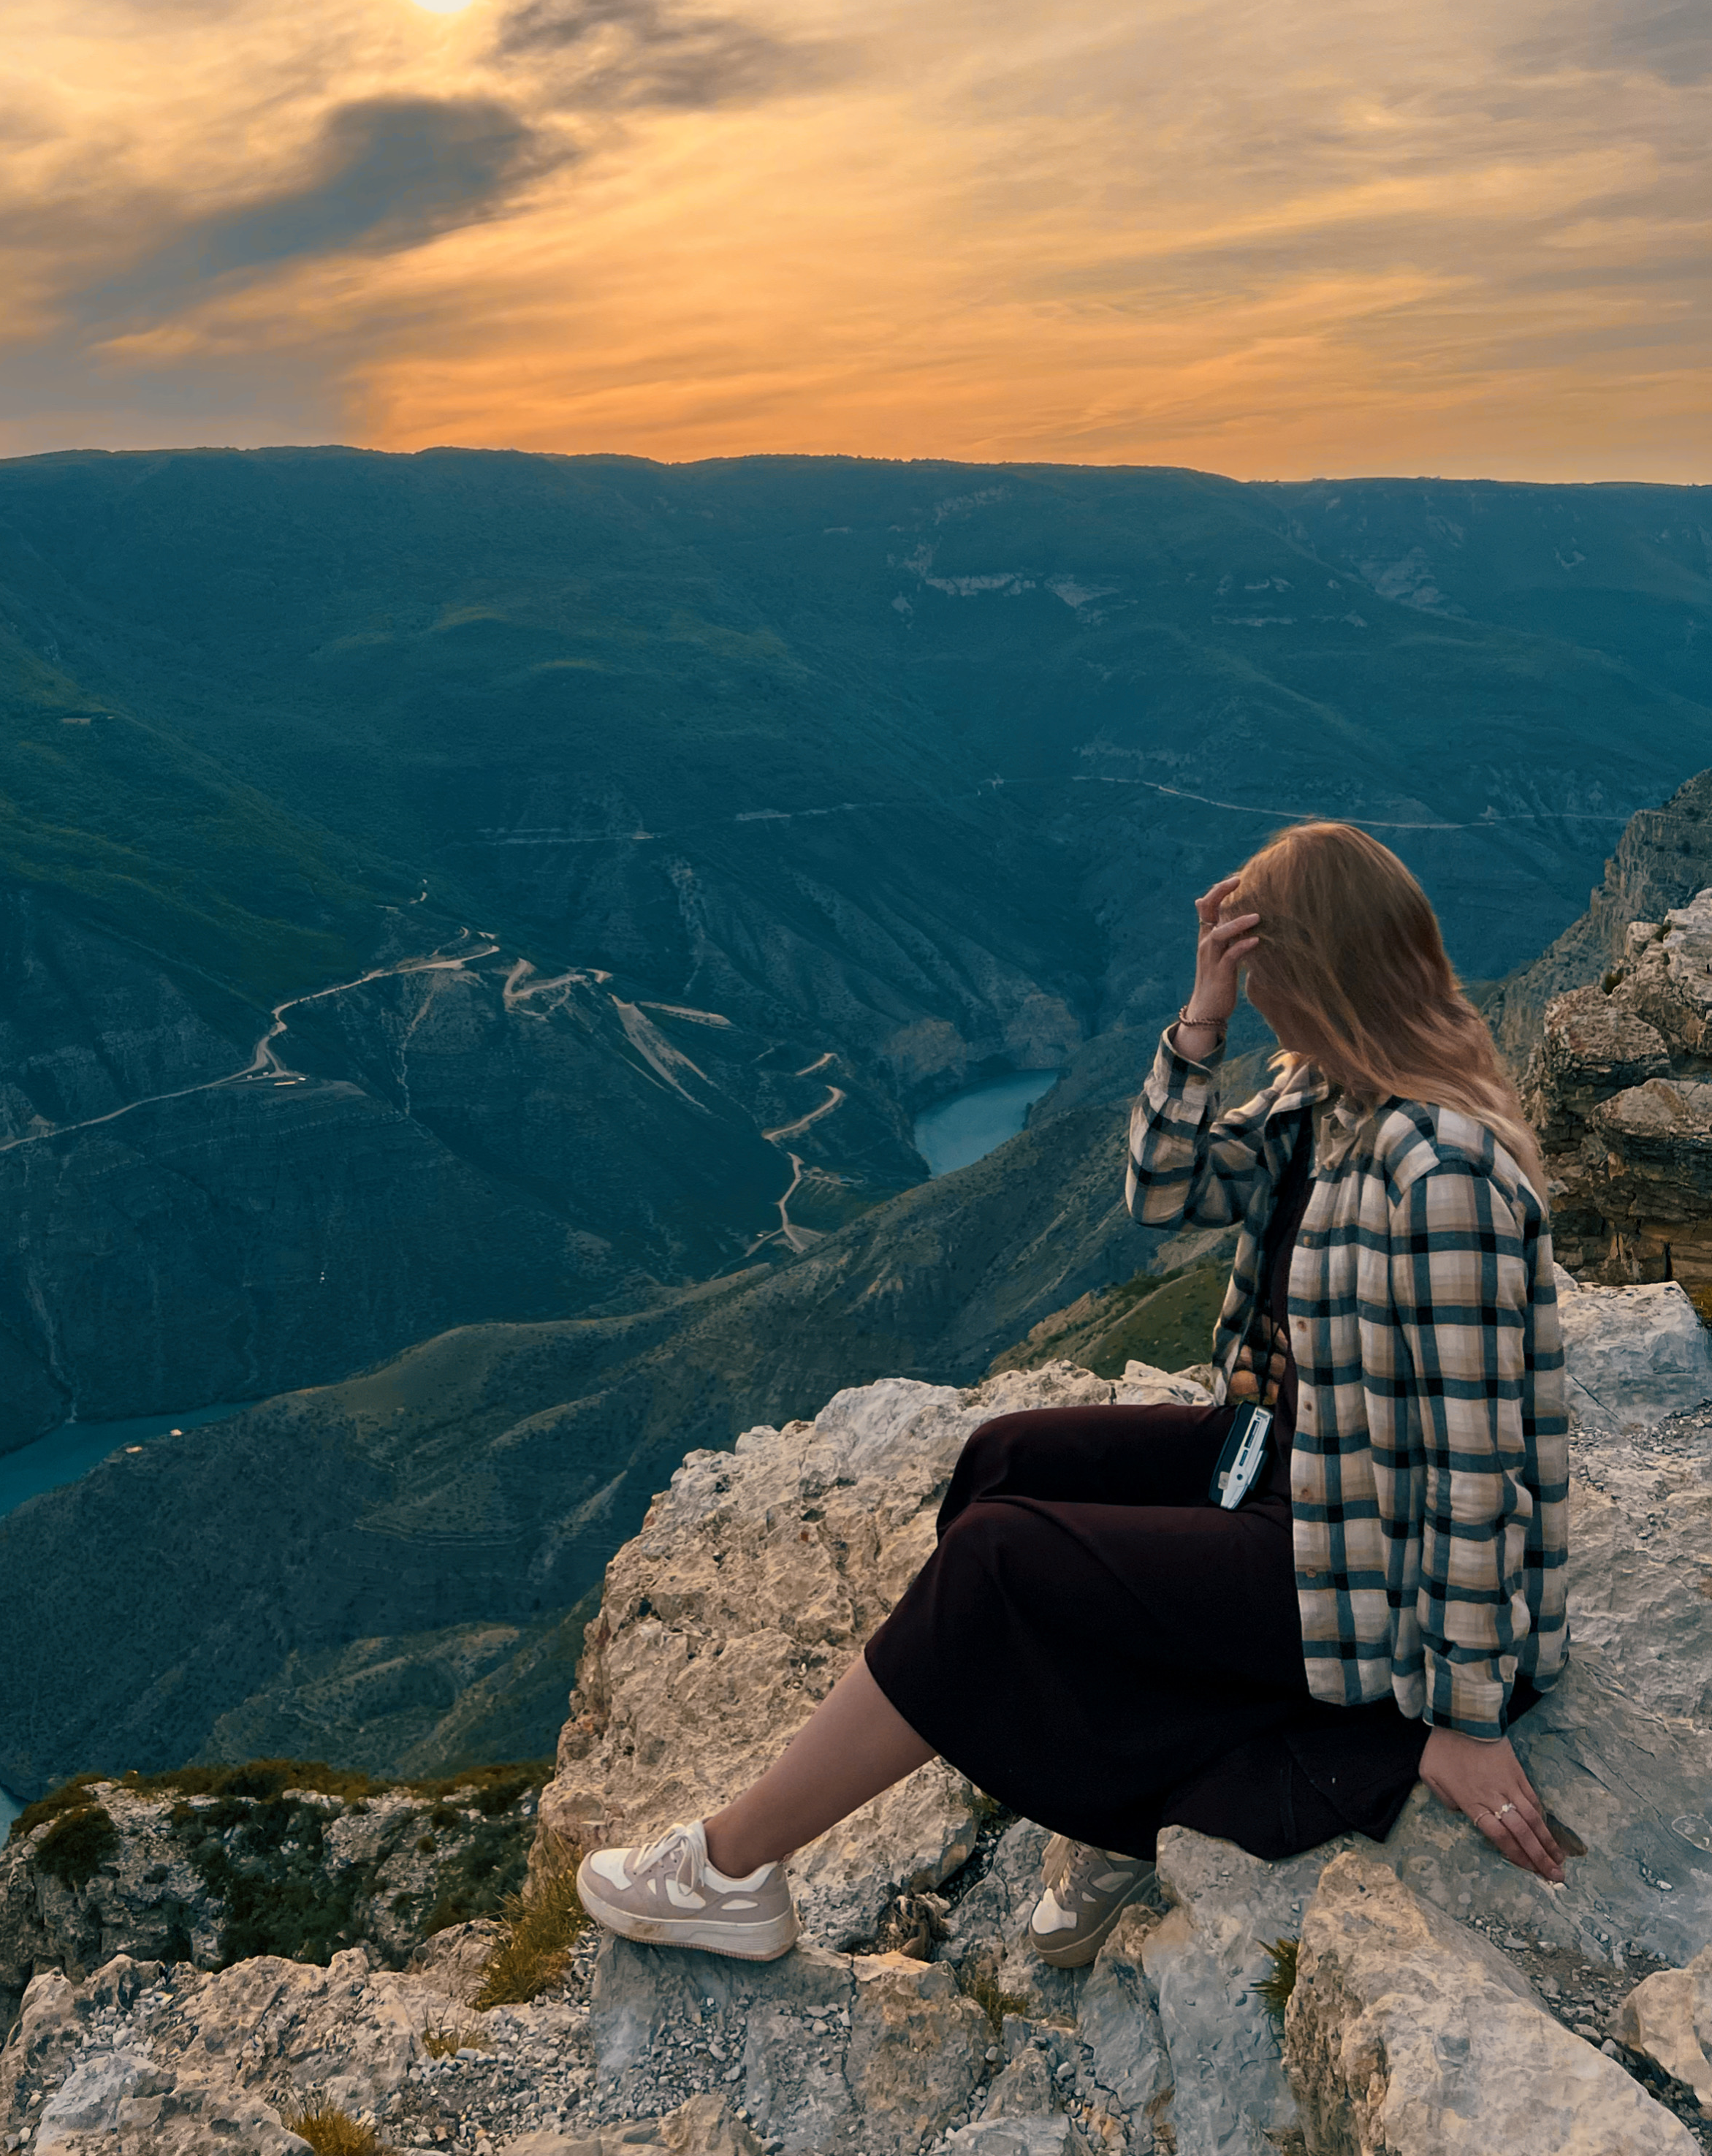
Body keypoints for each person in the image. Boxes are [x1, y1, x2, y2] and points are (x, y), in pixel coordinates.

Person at [574, 821, 1571, 1968]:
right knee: (1007, 1459)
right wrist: (1197, 1024)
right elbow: (1166, 1194)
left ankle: (730, 1868)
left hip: (1364, 1566)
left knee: (1001, 1564)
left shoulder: (1438, 1169)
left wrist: (1467, 1715)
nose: (1255, 994)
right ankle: (1117, 1762)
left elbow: (1473, 1467)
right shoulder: (1328, 1102)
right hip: (1290, 1469)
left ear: (1318, 969)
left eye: (1261, 967)